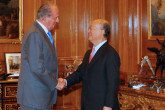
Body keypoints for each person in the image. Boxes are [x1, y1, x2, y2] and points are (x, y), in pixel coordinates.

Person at [58, 19, 121, 110]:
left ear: (102, 31)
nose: (88, 31)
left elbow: (113, 83)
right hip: (88, 105)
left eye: (92, 29)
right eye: (89, 29)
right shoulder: (89, 53)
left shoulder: (110, 53)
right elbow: (79, 73)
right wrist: (65, 82)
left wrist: (108, 106)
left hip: (102, 106)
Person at [17, 1, 65, 110]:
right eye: (56, 17)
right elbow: (37, 67)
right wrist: (55, 83)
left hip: (40, 97)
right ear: (46, 17)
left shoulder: (41, 33)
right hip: (35, 99)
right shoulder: (35, 34)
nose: (58, 20)